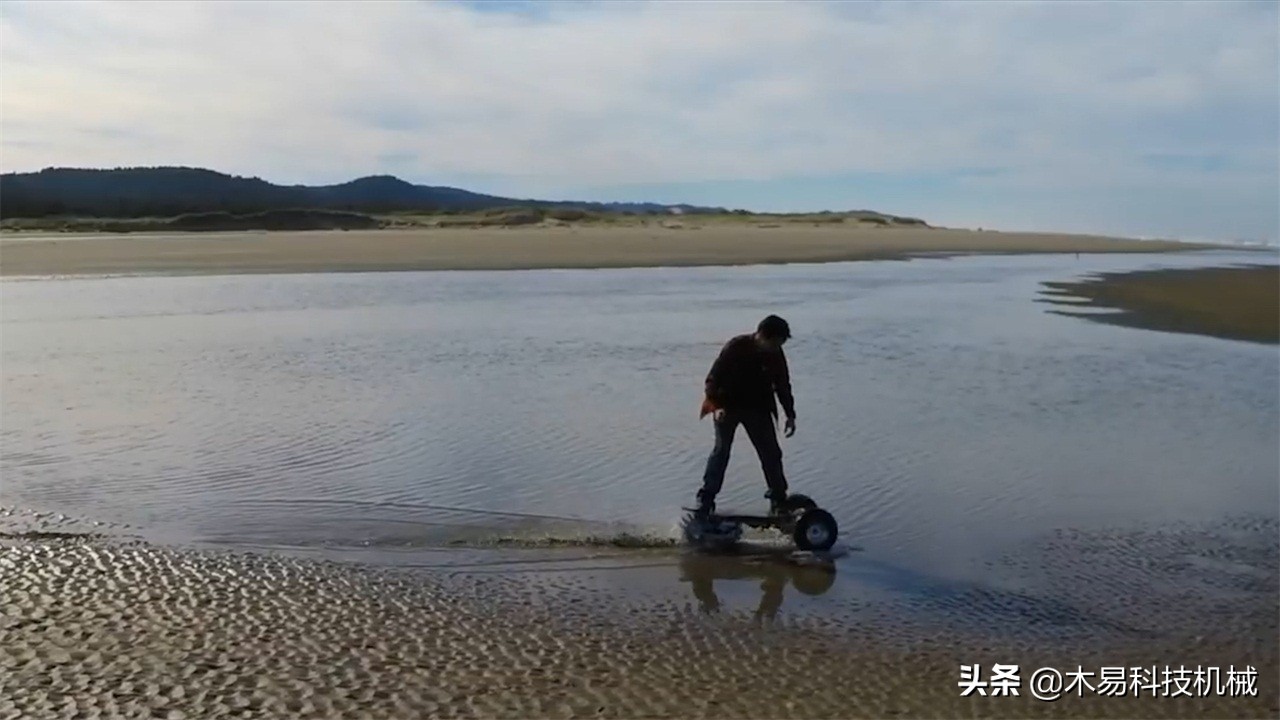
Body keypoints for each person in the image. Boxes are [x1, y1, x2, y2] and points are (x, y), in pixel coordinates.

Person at [695, 314, 797, 518]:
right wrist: (716, 405)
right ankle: (706, 499)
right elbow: (713, 378)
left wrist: (790, 414)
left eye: (781, 343)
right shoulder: (736, 346)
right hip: (727, 406)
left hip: (758, 408)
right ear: (762, 336)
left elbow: (782, 384)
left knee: (771, 453)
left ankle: (778, 498)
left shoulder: (776, 354)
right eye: (776, 342)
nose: (778, 347)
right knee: (721, 451)